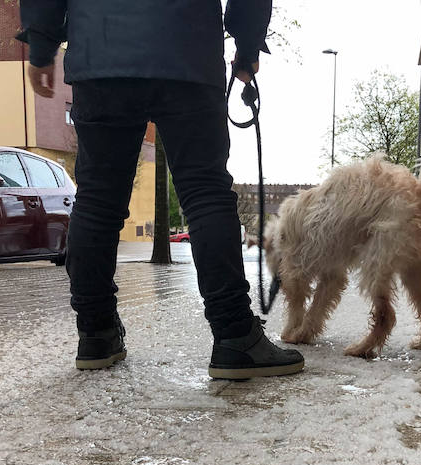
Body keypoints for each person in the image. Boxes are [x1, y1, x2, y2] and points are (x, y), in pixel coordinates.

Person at [18, 1, 304, 379]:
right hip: (187, 49)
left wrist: (42, 44)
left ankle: (96, 333)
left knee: (97, 200)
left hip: (100, 53)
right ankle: (236, 337)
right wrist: (247, 44)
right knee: (206, 193)